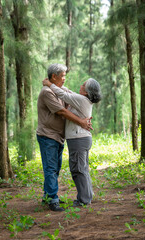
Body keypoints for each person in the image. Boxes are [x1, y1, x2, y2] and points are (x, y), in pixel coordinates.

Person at [37, 63, 92, 212]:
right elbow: (62, 111)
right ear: (53, 77)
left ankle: (48, 195)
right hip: (48, 135)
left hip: (57, 136)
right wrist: (81, 121)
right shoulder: (47, 92)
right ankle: (52, 199)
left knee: (54, 168)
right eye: (62, 76)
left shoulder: (58, 89)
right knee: (51, 167)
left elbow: (72, 96)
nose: (64, 79)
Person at [43, 77, 101, 207]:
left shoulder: (81, 100)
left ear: (86, 91)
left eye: (83, 84)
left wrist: (49, 84)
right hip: (80, 139)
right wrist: (54, 84)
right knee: (82, 169)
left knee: (78, 169)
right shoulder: (82, 99)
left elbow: (63, 94)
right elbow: (68, 92)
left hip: (78, 139)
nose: (81, 85)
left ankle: (84, 200)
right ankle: (87, 196)